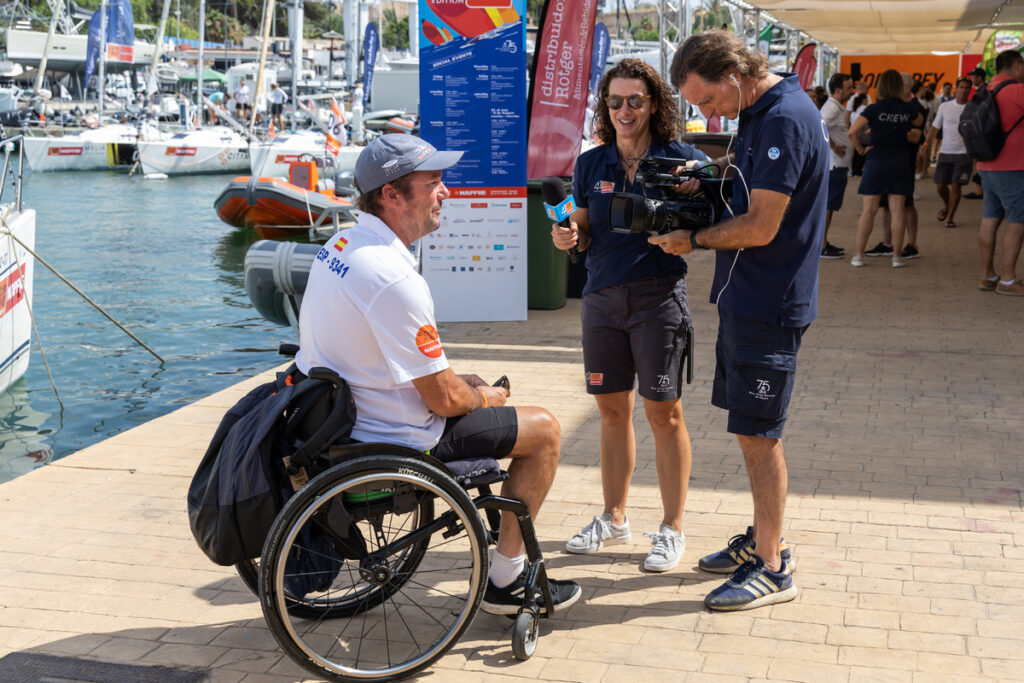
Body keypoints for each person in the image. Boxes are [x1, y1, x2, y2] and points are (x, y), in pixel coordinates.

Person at [294, 134, 583, 614]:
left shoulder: (342, 245)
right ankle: (506, 579)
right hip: (394, 436)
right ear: (391, 194)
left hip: (342, 419)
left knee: (464, 384)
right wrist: (485, 397)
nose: (445, 192)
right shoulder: (393, 278)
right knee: (545, 430)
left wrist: (452, 379)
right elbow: (445, 402)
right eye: (433, 183)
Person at [649, 30, 829, 611]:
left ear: (733, 73)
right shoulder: (759, 111)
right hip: (745, 297)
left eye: (707, 101)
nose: (707, 113)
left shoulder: (783, 118)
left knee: (759, 433)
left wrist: (693, 239)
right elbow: (750, 177)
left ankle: (773, 567)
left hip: (769, 302)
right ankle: (762, 541)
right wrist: (708, 177)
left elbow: (760, 226)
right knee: (749, 427)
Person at [550, 58, 707, 573]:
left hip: (658, 299)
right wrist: (567, 235)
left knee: (665, 414)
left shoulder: (681, 160)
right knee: (611, 413)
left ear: (654, 104)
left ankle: (671, 528)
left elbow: (709, 219)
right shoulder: (592, 164)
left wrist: (696, 195)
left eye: (635, 101)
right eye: (615, 101)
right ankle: (614, 518)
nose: (624, 110)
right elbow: (582, 225)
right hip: (601, 301)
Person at [848, 69, 924, 267]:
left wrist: (862, 150)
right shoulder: (907, 108)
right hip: (899, 162)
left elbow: (852, 132)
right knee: (898, 211)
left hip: (876, 162)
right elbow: (919, 122)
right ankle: (897, 257)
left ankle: (858, 255)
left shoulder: (874, 109)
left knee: (868, 210)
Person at [974, 50, 1024, 295]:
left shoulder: (985, 91)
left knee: (990, 219)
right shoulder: (1018, 91)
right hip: (1013, 166)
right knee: (1018, 219)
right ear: (1016, 65)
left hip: (987, 165)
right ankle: (1008, 280)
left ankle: (987, 276)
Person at [921, 77, 972, 228]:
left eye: (967, 88)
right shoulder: (945, 106)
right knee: (940, 186)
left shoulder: (973, 108)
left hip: (963, 153)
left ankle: (950, 217)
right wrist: (926, 143)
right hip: (946, 152)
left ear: (970, 90)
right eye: (961, 87)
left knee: (956, 185)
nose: (963, 90)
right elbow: (935, 127)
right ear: (957, 89)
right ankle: (946, 205)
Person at [820, 72, 853, 259]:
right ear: (838, 90)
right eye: (849, 88)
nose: (851, 91)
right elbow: (819, 126)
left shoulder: (836, 107)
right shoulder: (832, 108)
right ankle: (821, 244)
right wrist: (834, 147)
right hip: (833, 165)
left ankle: (823, 241)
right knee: (828, 206)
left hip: (837, 165)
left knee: (830, 206)